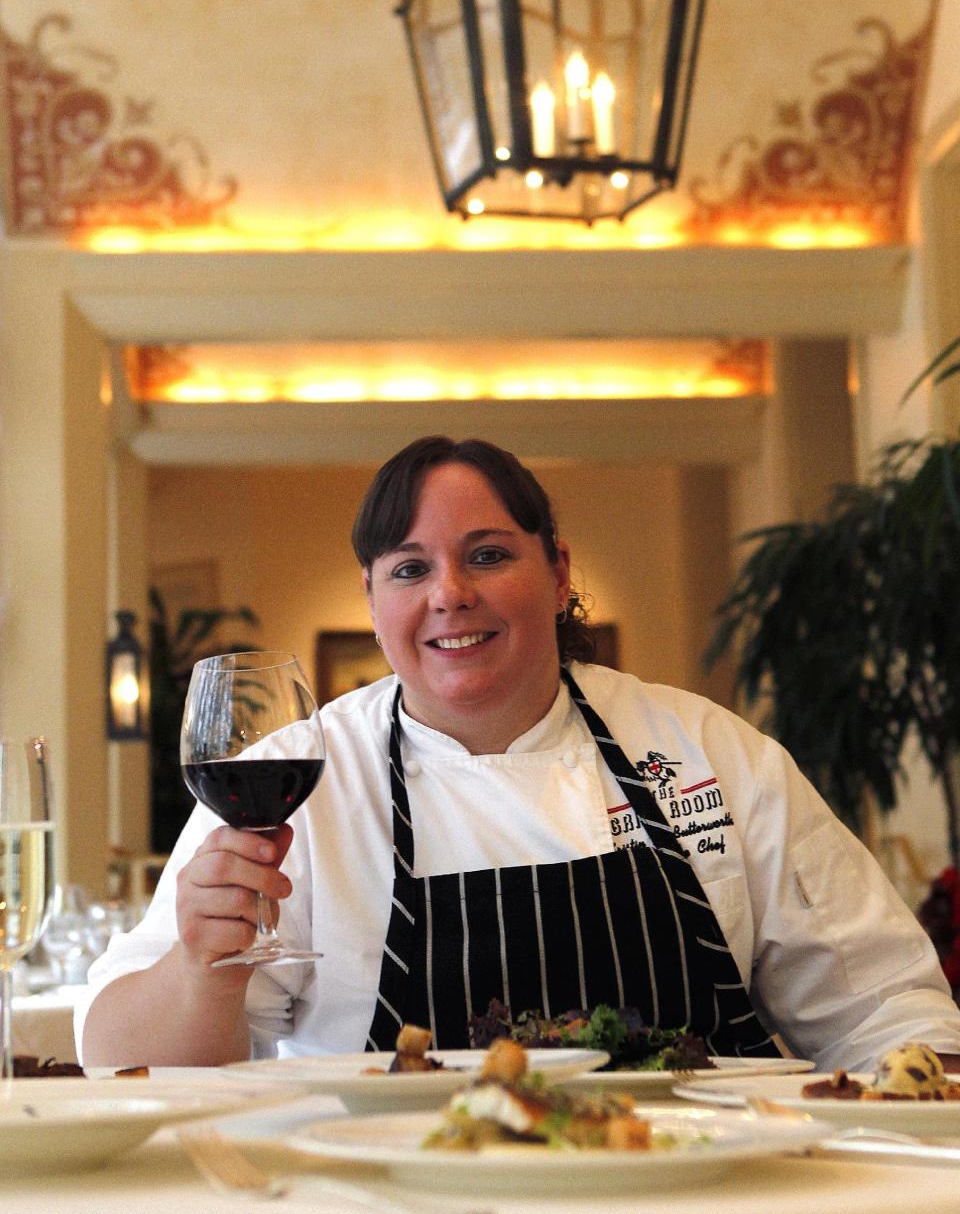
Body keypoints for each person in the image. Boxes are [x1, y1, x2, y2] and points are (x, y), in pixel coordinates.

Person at [78, 436, 960, 1070]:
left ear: (560, 570)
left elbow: (888, 1007)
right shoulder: (296, 785)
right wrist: (204, 966)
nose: (450, 596)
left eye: (488, 555)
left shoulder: (711, 754)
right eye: (410, 569)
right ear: (373, 596)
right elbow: (121, 1056)